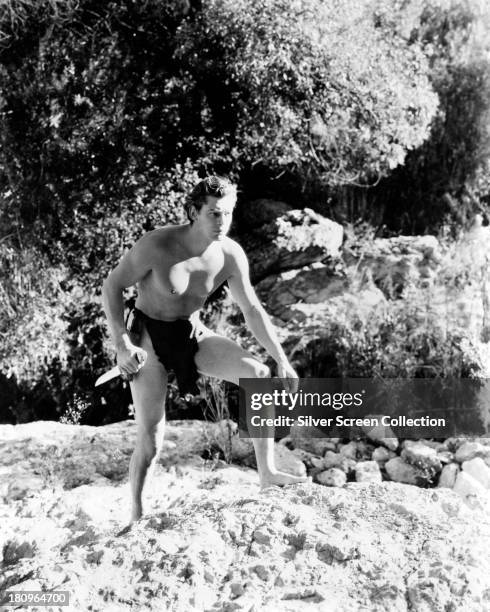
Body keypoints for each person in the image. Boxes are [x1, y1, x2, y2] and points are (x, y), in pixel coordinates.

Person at [102, 175, 307, 522]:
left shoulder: (229, 254)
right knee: (151, 442)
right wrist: (121, 343)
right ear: (193, 211)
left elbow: (252, 310)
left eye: (227, 213)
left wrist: (281, 359)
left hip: (191, 334)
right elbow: (112, 285)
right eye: (213, 213)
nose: (221, 221)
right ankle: (136, 513)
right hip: (148, 341)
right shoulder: (157, 245)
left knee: (257, 373)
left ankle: (267, 473)